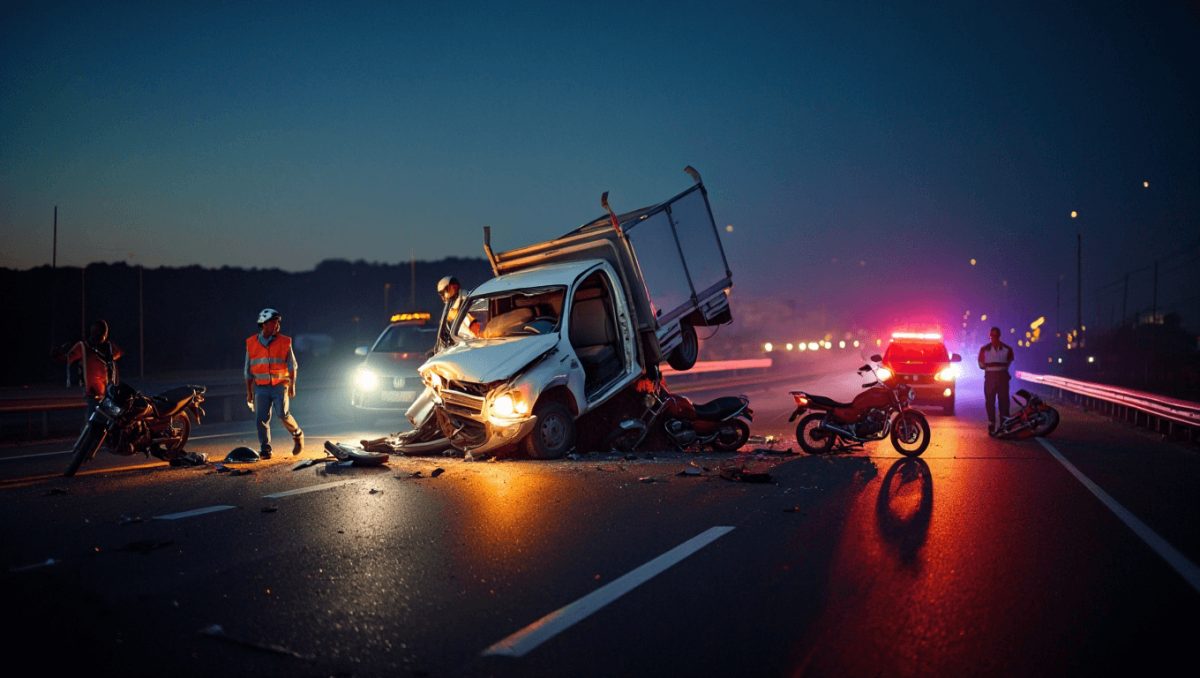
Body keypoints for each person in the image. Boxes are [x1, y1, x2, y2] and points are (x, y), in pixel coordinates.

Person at [245, 308, 303, 458]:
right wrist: (249, 392)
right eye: (274, 322)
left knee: (283, 414)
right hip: (261, 387)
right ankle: (265, 449)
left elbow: (293, 365)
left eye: (278, 322)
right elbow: (247, 370)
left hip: (279, 385)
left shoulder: (285, 341)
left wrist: (292, 385)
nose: (277, 325)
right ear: (264, 324)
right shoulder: (251, 343)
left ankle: (297, 435)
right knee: (260, 418)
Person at [52, 319, 122, 416]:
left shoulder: (109, 347)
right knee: (93, 420)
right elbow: (67, 358)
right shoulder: (83, 347)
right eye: (99, 333)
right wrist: (58, 355)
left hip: (109, 394)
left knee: (113, 419)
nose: (101, 337)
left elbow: (119, 353)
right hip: (93, 394)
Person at [978, 326, 1015, 434]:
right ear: (990, 336)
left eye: (995, 336)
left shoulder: (1007, 349)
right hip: (991, 378)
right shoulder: (984, 349)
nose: (994, 338)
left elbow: (1009, 361)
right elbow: (981, 364)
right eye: (993, 336)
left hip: (1002, 378)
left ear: (999, 336)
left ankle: (1004, 423)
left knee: (1004, 401)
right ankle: (992, 423)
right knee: (990, 401)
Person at [435, 275, 479, 350]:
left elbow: (476, 329)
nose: (442, 297)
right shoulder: (454, 305)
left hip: (470, 346)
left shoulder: (466, 303)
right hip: (463, 345)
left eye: (442, 293)